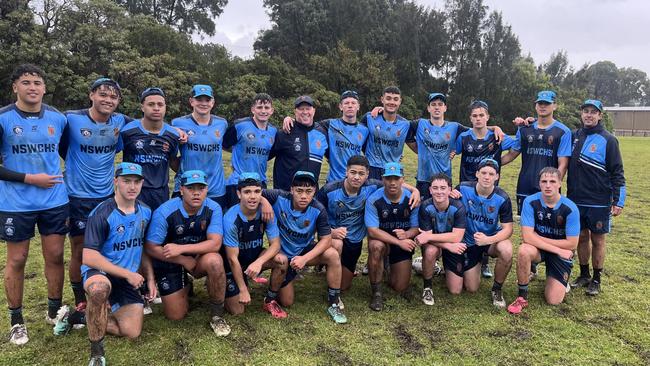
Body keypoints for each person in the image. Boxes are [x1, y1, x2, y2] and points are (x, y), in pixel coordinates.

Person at [0, 64, 69, 345]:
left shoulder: (58, 118)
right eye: (26, 82)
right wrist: (30, 178)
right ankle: (16, 319)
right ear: (15, 87)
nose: (32, 87)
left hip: (54, 200)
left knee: (54, 256)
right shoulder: (3, 118)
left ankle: (54, 311)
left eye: (37, 82)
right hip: (16, 202)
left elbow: (65, 150)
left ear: (43, 87)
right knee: (17, 260)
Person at [57, 77, 130, 329]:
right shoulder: (72, 119)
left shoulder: (119, 122)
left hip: (106, 197)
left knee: (106, 247)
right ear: (91, 95)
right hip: (76, 197)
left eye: (113, 97)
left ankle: (106, 294)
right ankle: (80, 300)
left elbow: (148, 123)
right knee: (79, 249)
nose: (108, 100)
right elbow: (61, 147)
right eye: (103, 95)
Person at [81, 162, 155, 366]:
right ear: (116, 182)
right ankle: (97, 353)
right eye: (126, 181)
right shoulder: (102, 213)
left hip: (125, 277)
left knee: (132, 332)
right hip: (100, 271)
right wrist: (127, 274)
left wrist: (150, 278)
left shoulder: (146, 212)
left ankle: (81, 317)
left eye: (137, 182)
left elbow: (143, 249)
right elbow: (88, 256)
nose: (132, 187)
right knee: (98, 289)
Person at [144, 170, 231, 336]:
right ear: (181, 189)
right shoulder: (164, 212)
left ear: (207, 189)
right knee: (176, 315)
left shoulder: (213, 208)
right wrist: (182, 259)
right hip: (170, 260)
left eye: (201, 188)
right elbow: (150, 247)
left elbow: (215, 243)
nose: (196, 193)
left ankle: (217, 315)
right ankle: (185, 284)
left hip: (197, 258)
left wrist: (182, 249)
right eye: (191, 188)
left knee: (215, 261)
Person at [317, 155, 420, 292]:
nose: (357, 177)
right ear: (346, 172)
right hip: (334, 237)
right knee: (337, 243)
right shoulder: (328, 191)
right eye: (353, 172)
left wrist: (415, 190)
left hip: (354, 240)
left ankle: (382, 266)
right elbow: (314, 218)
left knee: (344, 286)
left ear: (367, 175)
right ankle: (328, 265)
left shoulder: (371, 186)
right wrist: (331, 232)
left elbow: (393, 183)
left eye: (361, 173)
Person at [262, 171, 347, 324]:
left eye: (308, 191)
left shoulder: (318, 209)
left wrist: (304, 259)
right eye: (299, 190)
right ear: (292, 189)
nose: (303, 196)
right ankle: (269, 294)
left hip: (302, 252)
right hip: (280, 255)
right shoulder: (278, 197)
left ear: (314, 192)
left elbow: (326, 240)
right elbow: (253, 192)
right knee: (287, 302)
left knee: (333, 254)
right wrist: (264, 201)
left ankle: (334, 302)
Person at [567, 100, 626, 295]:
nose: (589, 115)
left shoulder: (608, 140)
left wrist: (619, 201)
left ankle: (597, 279)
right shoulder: (574, 136)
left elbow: (618, 172)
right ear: (581, 114)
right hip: (576, 198)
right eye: (586, 111)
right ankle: (584, 275)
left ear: (600, 115)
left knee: (598, 239)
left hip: (599, 201)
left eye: (593, 112)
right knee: (581, 237)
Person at [507, 167, 580, 314]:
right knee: (524, 250)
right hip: (548, 250)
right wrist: (558, 249)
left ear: (560, 183)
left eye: (552, 181)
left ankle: (557, 279)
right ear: (539, 183)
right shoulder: (530, 201)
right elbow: (527, 237)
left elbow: (572, 244)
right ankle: (522, 297)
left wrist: (538, 238)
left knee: (553, 301)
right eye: (544, 181)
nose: (548, 185)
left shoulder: (570, 208)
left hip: (557, 253)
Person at [455, 100, 514, 278]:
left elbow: (517, 147)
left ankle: (484, 260)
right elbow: (453, 151)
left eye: (482, 115)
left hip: (489, 187)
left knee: (487, 219)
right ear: (470, 118)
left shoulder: (497, 136)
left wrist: (500, 163)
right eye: (475, 115)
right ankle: (463, 254)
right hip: (466, 186)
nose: (478, 118)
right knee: (465, 221)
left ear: (488, 117)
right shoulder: (463, 137)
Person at [450, 159, 514, 308]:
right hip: (468, 241)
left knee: (506, 249)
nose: (487, 177)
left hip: (489, 240)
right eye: (484, 173)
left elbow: (508, 229)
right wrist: (450, 193)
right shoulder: (463, 188)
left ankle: (497, 289)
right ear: (477, 173)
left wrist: (488, 239)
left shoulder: (502, 198)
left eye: (491, 174)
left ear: (497, 177)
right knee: (471, 288)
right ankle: (473, 262)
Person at [222, 172, 286, 318]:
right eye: (247, 192)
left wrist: (259, 262)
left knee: (282, 260)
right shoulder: (231, 219)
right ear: (239, 194)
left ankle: (270, 299)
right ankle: (232, 283)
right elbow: (232, 259)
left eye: (257, 191)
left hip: (255, 258)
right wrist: (243, 289)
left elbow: (276, 245)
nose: (252, 196)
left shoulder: (266, 212)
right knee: (237, 310)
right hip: (234, 264)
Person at [505, 90, 572, 214]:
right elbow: (512, 154)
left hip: (548, 187)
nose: (543, 106)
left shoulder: (563, 132)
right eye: (540, 103)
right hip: (525, 185)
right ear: (535, 106)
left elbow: (563, 164)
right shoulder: (525, 129)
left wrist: (554, 185)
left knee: (548, 226)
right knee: (526, 226)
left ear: (554, 106)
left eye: (546, 103)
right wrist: (491, 163)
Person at [282, 90, 369, 183]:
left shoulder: (364, 130)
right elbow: (307, 123)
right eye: (346, 103)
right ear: (340, 106)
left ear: (358, 106)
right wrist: (291, 119)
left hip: (354, 181)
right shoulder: (329, 124)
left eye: (353, 103)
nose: (350, 105)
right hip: (334, 180)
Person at [365, 162, 420, 311]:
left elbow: (416, 228)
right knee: (376, 246)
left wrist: (408, 234)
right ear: (383, 179)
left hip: (401, 243)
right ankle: (376, 292)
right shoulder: (374, 199)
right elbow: (372, 231)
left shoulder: (412, 199)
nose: (392, 182)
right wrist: (398, 241)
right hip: (383, 241)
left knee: (399, 286)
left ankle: (387, 265)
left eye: (396, 178)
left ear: (403, 179)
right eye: (389, 178)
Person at [120, 87, 180, 210]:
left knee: (158, 228)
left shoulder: (173, 135)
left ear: (165, 107)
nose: (156, 108)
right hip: (133, 191)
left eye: (160, 104)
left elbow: (173, 161)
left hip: (160, 193)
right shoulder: (127, 131)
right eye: (151, 104)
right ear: (142, 107)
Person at [171, 85, 228, 207]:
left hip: (215, 188)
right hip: (188, 186)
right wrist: (173, 129)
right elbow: (171, 156)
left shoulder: (222, 123)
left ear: (212, 102)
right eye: (199, 99)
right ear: (191, 101)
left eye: (207, 100)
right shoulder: (178, 123)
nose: (203, 103)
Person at [414, 173, 466, 306]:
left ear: (450, 190)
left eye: (443, 188)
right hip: (438, 245)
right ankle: (427, 287)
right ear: (430, 190)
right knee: (430, 251)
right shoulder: (426, 207)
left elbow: (457, 237)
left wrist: (429, 237)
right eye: (435, 188)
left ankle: (434, 268)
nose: (439, 191)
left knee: (455, 290)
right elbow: (426, 240)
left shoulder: (458, 207)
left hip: (451, 244)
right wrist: (447, 246)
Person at [223, 93, 277, 208]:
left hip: (259, 182)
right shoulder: (240, 125)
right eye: (259, 107)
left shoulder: (273, 131)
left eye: (266, 108)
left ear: (272, 110)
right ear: (253, 109)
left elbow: (269, 153)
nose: (263, 111)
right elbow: (224, 144)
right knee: (235, 219)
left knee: (257, 221)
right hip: (237, 182)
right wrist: (237, 156)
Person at [270, 96, 328, 190]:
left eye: (308, 109)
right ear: (295, 111)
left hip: (311, 195)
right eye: (301, 109)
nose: (305, 112)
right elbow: (265, 156)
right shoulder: (285, 132)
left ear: (314, 111)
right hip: (286, 196)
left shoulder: (322, 133)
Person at [362, 87, 411, 180]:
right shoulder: (369, 117)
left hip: (393, 169)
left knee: (393, 194)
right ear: (382, 100)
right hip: (371, 167)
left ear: (400, 101)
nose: (392, 102)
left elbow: (417, 145)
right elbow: (359, 138)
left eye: (395, 99)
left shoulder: (406, 124)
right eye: (388, 98)